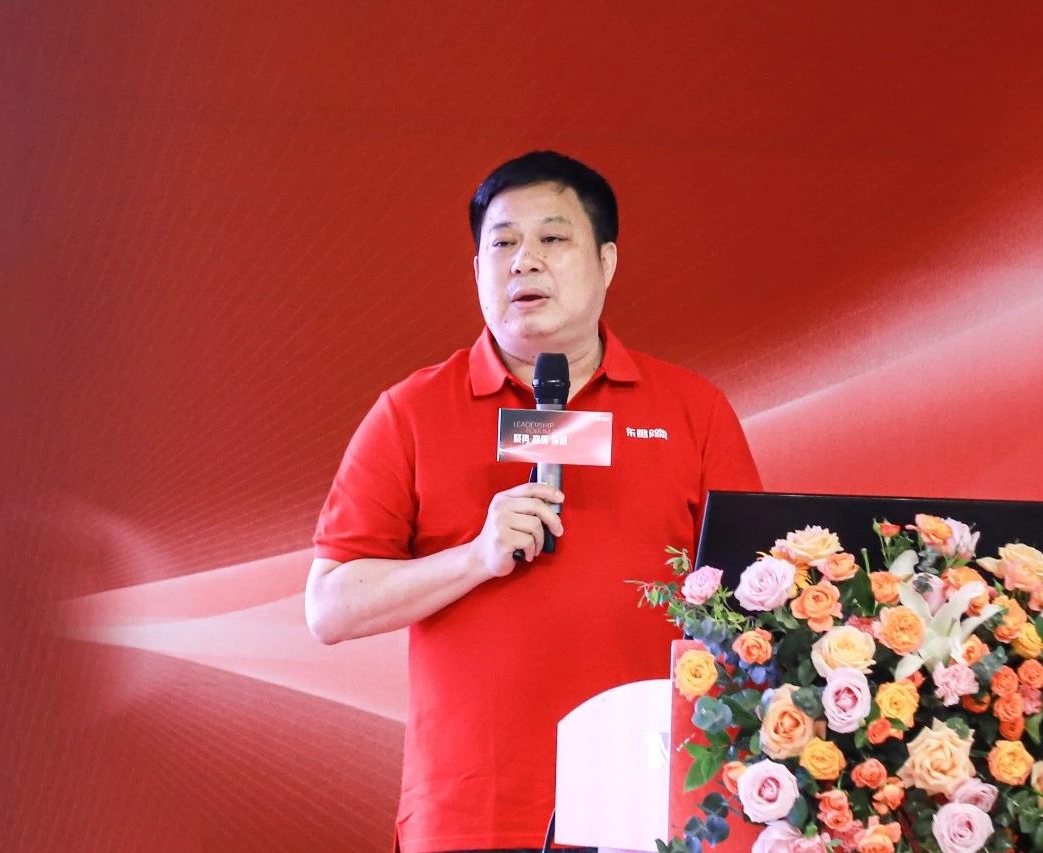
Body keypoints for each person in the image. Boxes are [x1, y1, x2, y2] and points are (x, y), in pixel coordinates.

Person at [305, 151, 761, 853]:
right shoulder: (411, 412)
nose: (525, 261)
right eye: (503, 243)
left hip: (655, 806)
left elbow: (755, 606)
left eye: (552, 238)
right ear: (477, 271)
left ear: (606, 261)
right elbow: (330, 606)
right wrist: (474, 557)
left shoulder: (692, 410)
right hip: (477, 813)